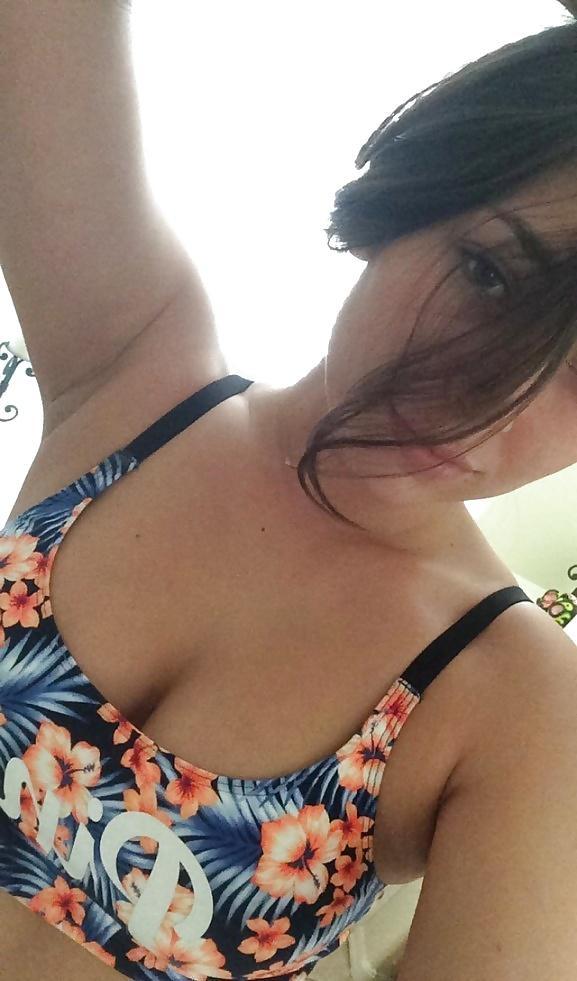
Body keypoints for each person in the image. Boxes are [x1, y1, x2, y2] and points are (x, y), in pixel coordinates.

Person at [2, 3, 577, 980]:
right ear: (418, 191)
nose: (487, 404)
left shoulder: (518, 709)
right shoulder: (137, 366)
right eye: (487, 276)